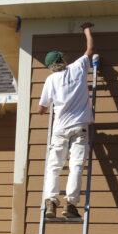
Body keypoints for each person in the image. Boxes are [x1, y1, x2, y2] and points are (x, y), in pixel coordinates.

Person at [38, 22, 95, 219]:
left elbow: (42, 108)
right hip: (79, 127)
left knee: (54, 165)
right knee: (76, 165)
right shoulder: (78, 67)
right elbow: (89, 49)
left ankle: (50, 202)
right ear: (62, 59)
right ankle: (70, 204)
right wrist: (87, 29)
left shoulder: (50, 80)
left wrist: (46, 108)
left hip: (60, 128)